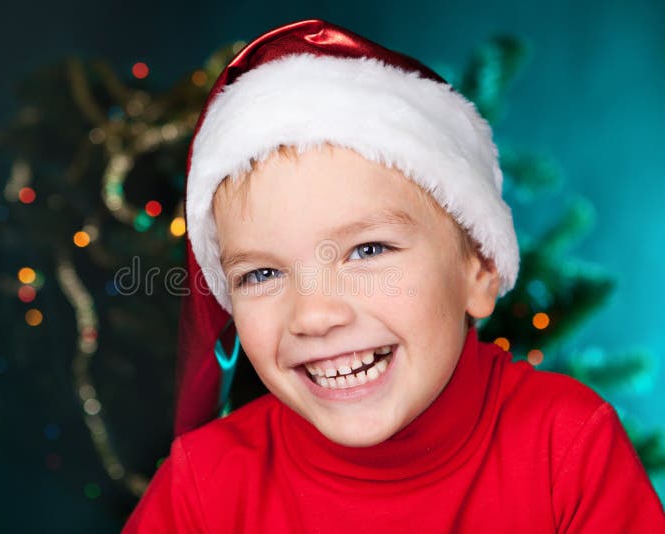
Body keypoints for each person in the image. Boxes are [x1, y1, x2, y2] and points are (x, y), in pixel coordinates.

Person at [121, 18, 665, 532]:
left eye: (368, 249)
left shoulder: (566, 448)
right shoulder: (205, 486)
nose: (314, 315)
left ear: (480, 268)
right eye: (262, 273)